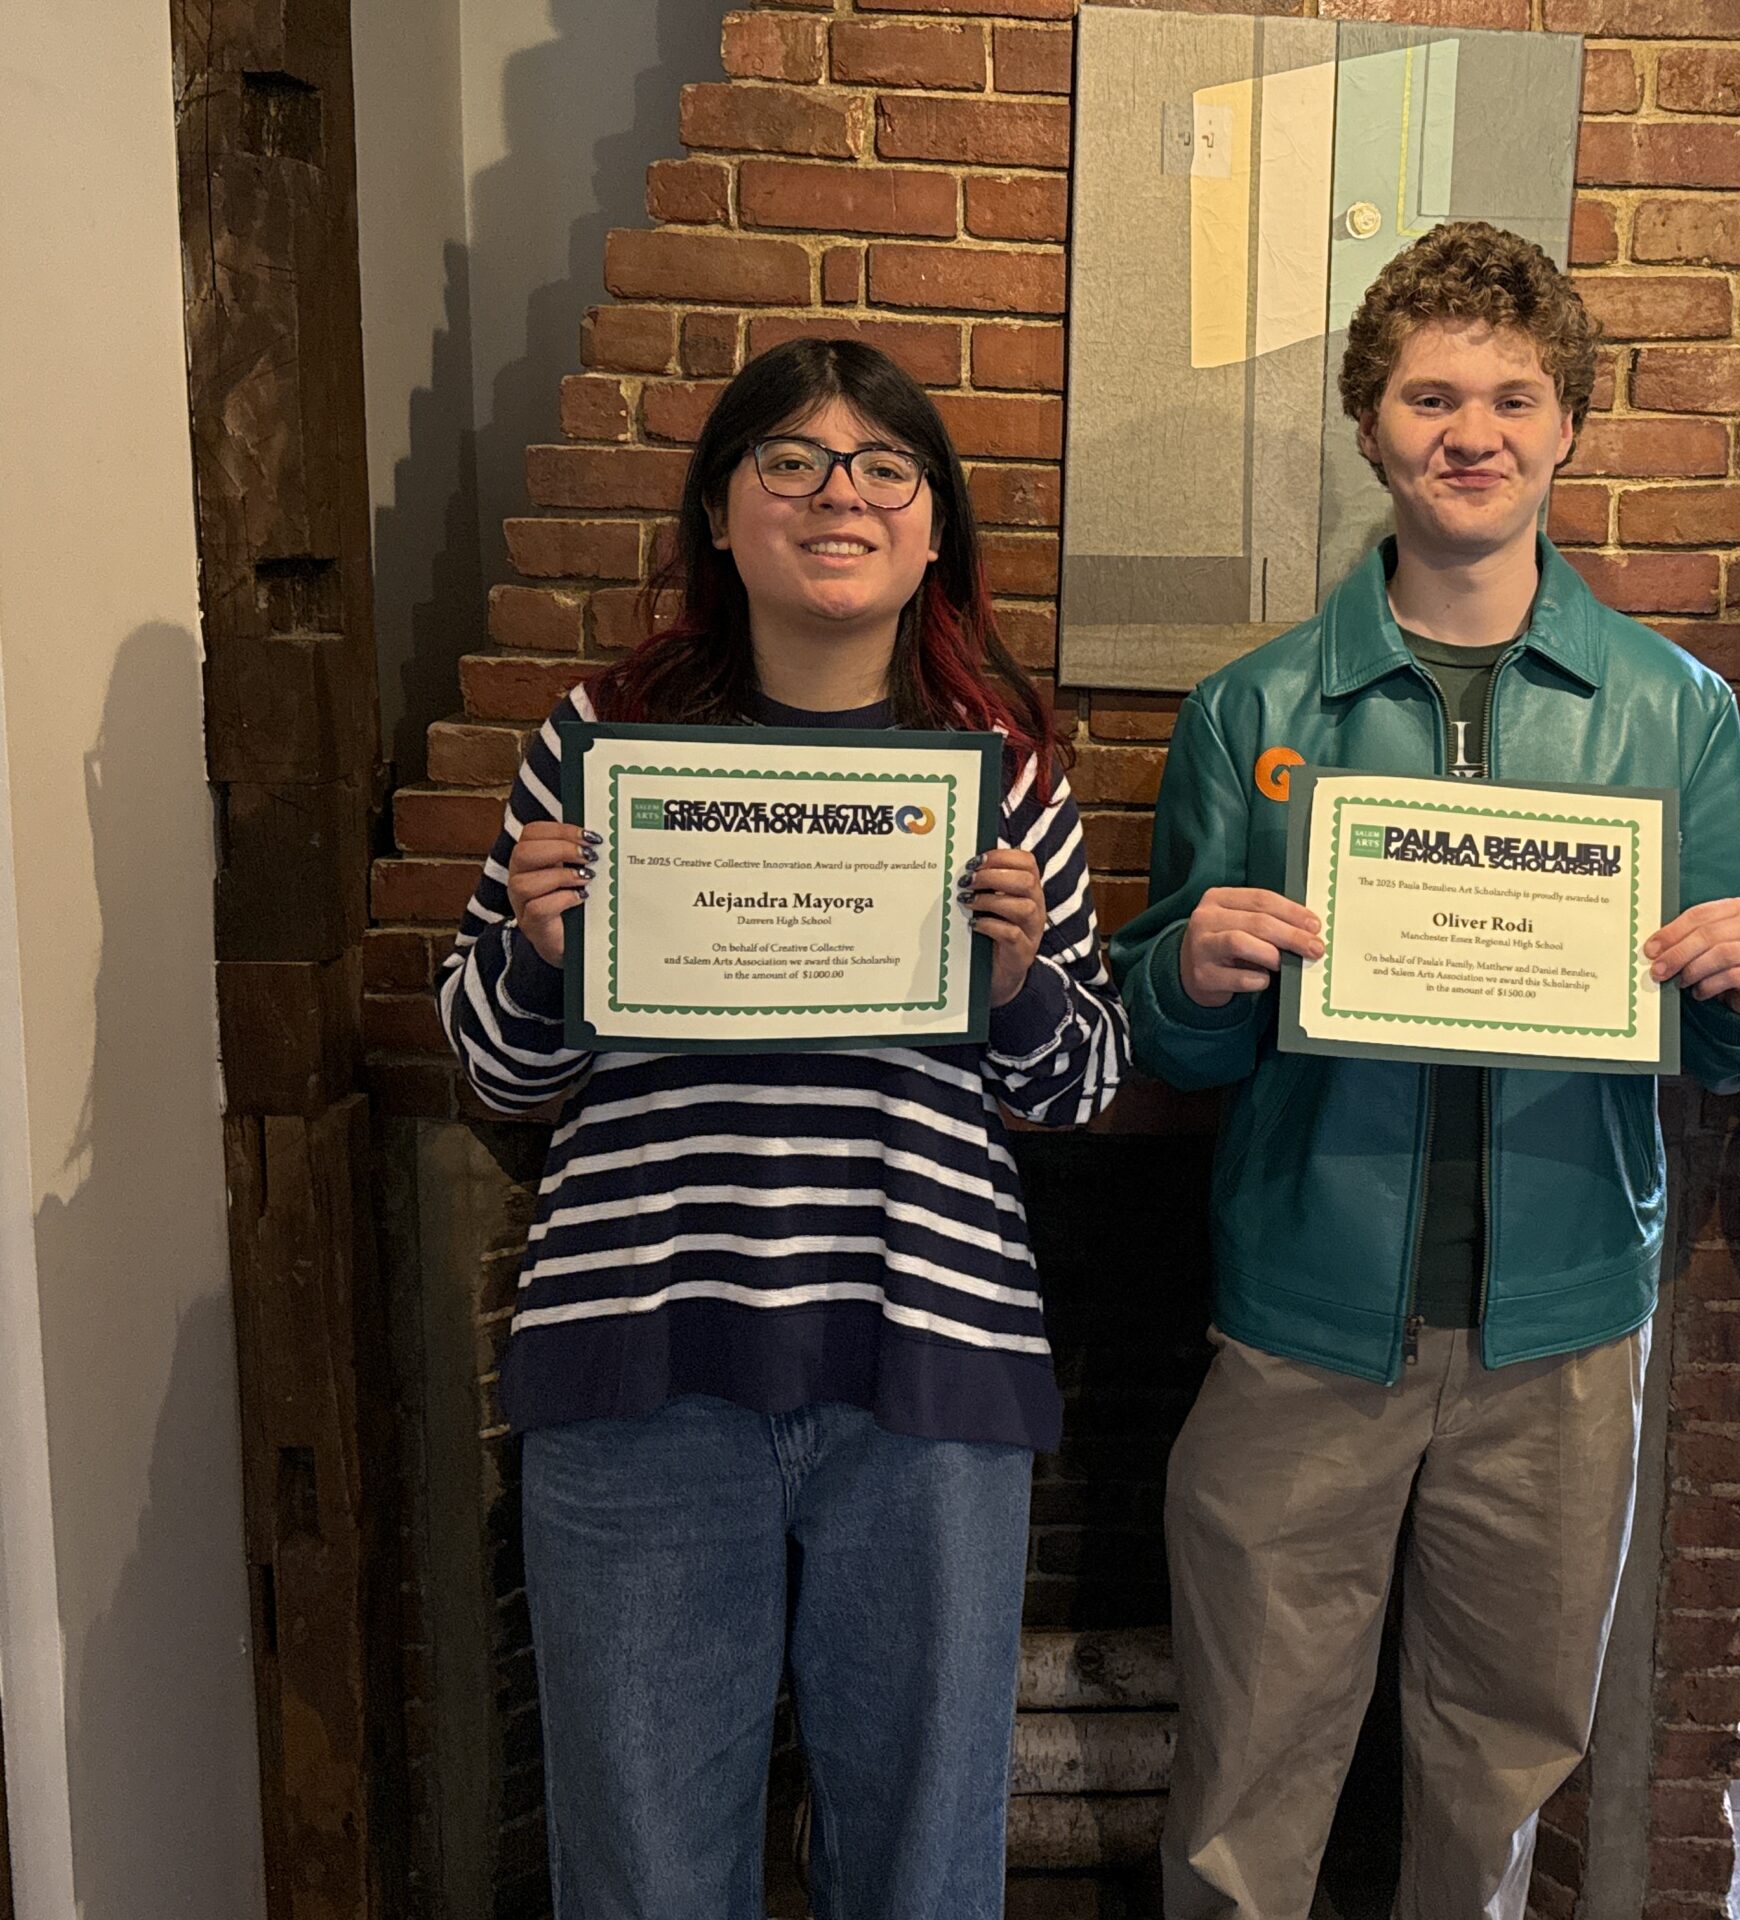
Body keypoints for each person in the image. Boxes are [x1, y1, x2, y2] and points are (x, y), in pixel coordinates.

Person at [1110, 219, 1740, 1920]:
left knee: (1501, 1757)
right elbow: (1172, 1032)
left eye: (1511, 395)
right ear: (1371, 423)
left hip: (1560, 1320)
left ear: (1567, 427)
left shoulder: (1673, 708)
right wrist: (1188, 968)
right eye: (1429, 395)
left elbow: (1736, 1035)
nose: (1468, 431)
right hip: (1302, 1314)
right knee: (1249, 1764)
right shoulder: (1251, 705)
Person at [437, 337, 1128, 1920]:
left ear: (935, 525)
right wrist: (540, 953)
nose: (843, 496)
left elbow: (1081, 1082)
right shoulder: (598, 741)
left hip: (928, 1364)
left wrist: (1021, 982)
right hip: (642, 1359)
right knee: (643, 1866)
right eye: (793, 463)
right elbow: (494, 1063)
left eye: (887, 467)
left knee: (925, 1868)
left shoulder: (1003, 771)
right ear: (720, 511)